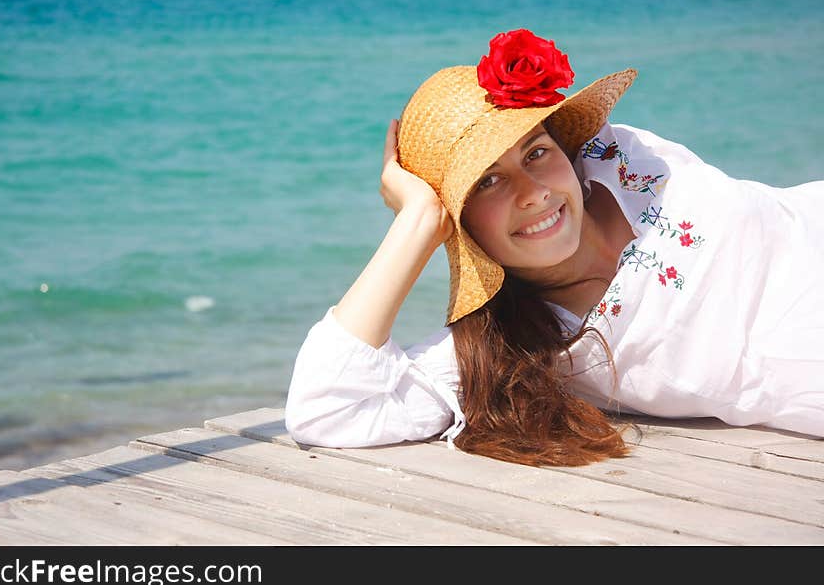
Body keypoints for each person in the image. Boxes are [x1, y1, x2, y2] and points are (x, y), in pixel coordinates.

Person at [285, 28, 824, 467]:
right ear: (459, 220)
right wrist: (417, 222)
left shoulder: (621, 155)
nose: (534, 192)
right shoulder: (522, 347)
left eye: (536, 152)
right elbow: (327, 408)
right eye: (487, 183)